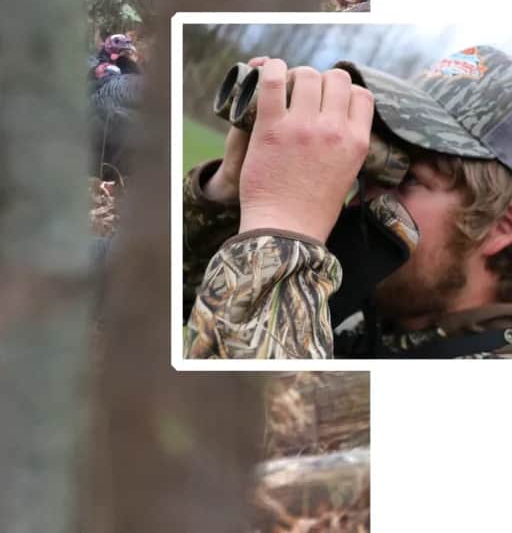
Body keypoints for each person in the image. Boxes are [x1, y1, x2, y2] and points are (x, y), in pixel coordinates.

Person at [184, 46, 512, 359]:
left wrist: (280, 231)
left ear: (501, 226)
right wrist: (226, 195)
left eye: (408, 179)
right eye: (371, 166)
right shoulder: (373, 327)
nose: (361, 199)